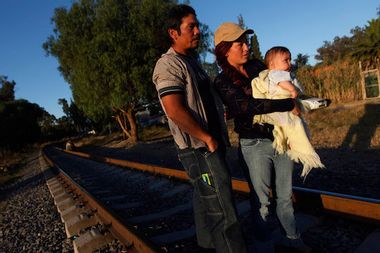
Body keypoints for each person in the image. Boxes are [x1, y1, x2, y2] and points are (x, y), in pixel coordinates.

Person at [152, 6, 247, 253]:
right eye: (190, 27)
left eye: (197, 25)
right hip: (200, 148)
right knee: (224, 213)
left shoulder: (191, 62)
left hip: (208, 145)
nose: (197, 31)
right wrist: (206, 138)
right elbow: (173, 109)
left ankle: (206, 247)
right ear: (173, 33)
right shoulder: (168, 64)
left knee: (207, 205)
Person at [213, 22, 311, 253]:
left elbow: (280, 83)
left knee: (285, 197)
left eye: (246, 42)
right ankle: (263, 244)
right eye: (240, 44)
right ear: (226, 49)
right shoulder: (222, 81)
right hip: (254, 145)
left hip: (280, 137)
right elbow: (248, 107)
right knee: (262, 203)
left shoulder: (257, 65)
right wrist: (289, 103)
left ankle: (292, 239)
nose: (247, 47)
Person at [251, 46, 325, 178]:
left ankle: (292, 143)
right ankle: (298, 146)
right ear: (272, 64)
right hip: (282, 105)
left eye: (290, 59)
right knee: (294, 126)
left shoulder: (280, 73)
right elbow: (282, 82)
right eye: (286, 60)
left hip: (282, 109)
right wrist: (292, 90)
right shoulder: (276, 73)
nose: (289, 63)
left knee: (289, 128)